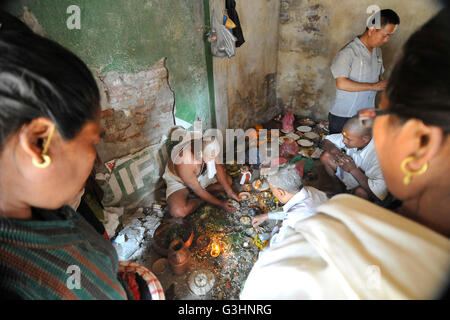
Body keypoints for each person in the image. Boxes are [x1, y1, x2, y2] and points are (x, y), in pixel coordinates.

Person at [240, 7, 450, 300]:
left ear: (420, 143)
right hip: (346, 115)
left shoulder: (284, 271)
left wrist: (351, 171)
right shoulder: (348, 54)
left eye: (384, 117)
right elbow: (337, 119)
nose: (377, 127)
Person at [0, 22, 155, 299]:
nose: (94, 157)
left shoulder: (47, 209)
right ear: (39, 142)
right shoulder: (28, 285)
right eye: (92, 141)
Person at [328, 9, 400, 134]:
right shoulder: (348, 53)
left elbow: (376, 79)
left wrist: (386, 85)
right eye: (384, 35)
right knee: (338, 150)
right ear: (372, 30)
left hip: (367, 113)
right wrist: (374, 86)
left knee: (359, 151)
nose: (386, 40)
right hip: (344, 116)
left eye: (389, 36)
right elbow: (342, 84)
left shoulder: (377, 52)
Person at [251, 164, 328, 247]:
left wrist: (277, 227)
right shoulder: (310, 190)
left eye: (273, 191)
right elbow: (293, 211)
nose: (274, 194)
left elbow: (276, 246)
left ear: (281, 192)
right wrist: (266, 216)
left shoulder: (293, 219)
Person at [163, 135, 239, 218]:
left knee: (228, 182)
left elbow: (218, 167)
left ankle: (204, 195)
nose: (212, 160)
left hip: (199, 174)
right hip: (179, 182)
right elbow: (198, 190)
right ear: (200, 154)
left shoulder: (208, 145)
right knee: (178, 211)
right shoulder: (184, 162)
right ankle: (201, 199)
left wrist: (229, 191)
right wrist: (220, 204)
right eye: (210, 159)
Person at [320, 116, 387, 202]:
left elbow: (379, 194)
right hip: (350, 175)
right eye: (344, 136)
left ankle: (355, 209)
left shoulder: (379, 156)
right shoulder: (353, 136)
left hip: (366, 185)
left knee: (361, 192)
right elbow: (327, 140)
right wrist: (337, 152)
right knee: (326, 156)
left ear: (365, 139)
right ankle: (338, 190)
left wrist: (353, 169)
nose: (343, 141)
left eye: (348, 139)